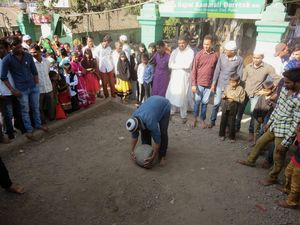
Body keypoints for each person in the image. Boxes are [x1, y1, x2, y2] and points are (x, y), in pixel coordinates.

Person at [238, 68, 300, 186]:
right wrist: (269, 123)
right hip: (274, 126)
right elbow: (277, 109)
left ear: (297, 82)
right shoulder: (284, 91)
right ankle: (250, 160)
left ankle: (273, 177)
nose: (284, 85)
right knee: (260, 142)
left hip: (285, 132)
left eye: (287, 82)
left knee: (278, 155)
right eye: (284, 82)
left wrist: (286, 142)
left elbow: (296, 123)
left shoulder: (299, 99)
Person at [1, 36, 47, 140]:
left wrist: (36, 84)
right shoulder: (7, 59)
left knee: (35, 108)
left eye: (20, 46)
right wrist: (13, 90)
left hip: (33, 87)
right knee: (25, 110)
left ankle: (38, 125)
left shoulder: (28, 56)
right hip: (21, 89)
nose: (19, 48)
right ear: (11, 47)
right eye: (16, 47)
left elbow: (34, 71)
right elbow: (3, 77)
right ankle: (29, 130)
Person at [236, 51, 281, 141]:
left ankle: (251, 132)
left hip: (256, 94)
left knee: (254, 114)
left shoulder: (268, 67)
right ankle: (236, 128)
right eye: (254, 57)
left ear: (262, 58)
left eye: (258, 58)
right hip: (245, 92)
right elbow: (243, 80)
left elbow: (278, 79)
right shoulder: (248, 66)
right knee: (239, 111)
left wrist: (268, 91)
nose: (255, 60)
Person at [126, 96, 171, 167]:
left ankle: (162, 156)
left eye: (137, 130)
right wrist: (132, 151)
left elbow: (157, 141)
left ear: (138, 126)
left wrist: (153, 156)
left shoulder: (150, 122)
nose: (136, 131)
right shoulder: (133, 120)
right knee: (144, 132)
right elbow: (134, 137)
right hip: (152, 104)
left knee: (163, 133)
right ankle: (147, 150)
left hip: (164, 105)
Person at [209, 40, 243, 128]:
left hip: (230, 87)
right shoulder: (222, 57)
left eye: (227, 50)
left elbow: (239, 74)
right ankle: (212, 121)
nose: (225, 51)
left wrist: (236, 87)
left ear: (233, 51)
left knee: (228, 107)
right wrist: (213, 84)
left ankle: (226, 125)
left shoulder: (239, 60)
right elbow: (217, 70)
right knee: (216, 104)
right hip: (220, 84)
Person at [165, 35, 194, 124]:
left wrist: (176, 64)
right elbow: (170, 65)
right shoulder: (175, 51)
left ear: (186, 43)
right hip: (174, 77)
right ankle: (171, 112)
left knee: (183, 96)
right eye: (179, 43)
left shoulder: (190, 52)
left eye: (182, 43)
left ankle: (183, 115)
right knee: (172, 94)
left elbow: (188, 65)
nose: (181, 45)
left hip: (184, 78)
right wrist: (180, 65)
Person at [191, 35, 218, 128]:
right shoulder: (199, 54)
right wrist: (194, 84)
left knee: (205, 103)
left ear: (212, 44)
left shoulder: (215, 55)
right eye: (204, 44)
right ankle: (194, 118)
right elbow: (194, 69)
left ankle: (202, 119)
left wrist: (214, 84)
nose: (205, 46)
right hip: (199, 83)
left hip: (209, 84)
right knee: (197, 101)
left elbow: (216, 70)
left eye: (207, 44)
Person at [29, 44, 55, 124]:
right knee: (39, 107)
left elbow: (48, 72)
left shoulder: (46, 61)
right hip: (38, 89)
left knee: (51, 105)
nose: (33, 54)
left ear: (39, 51)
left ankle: (52, 120)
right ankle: (42, 122)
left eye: (34, 52)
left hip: (48, 87)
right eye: (31, 53)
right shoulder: (31, 64)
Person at [276, 126, 300, 209]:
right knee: (288, 173)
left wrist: (298, 134)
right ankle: (287, 189)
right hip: (296, 157)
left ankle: (292, 202)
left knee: (296, 183)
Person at [219, 74, 245, 142]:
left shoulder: (241, 89)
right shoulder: (227, 87)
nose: (231, 83)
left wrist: (233, 98)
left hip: (234, 106)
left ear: (238, 82)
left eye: (233, 82)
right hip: (225, 105)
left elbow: (242, 100)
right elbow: (224, 94)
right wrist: (223, 96)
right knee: (223, 121)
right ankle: (222, 135)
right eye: (230, 82)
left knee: (232, 122)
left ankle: (232, 137)